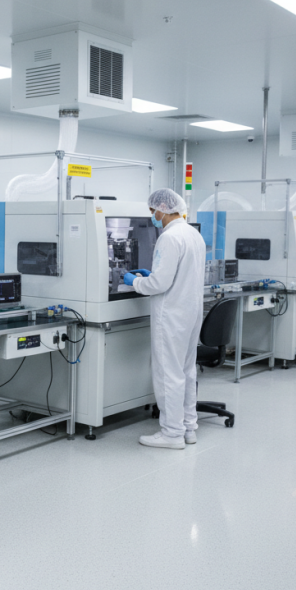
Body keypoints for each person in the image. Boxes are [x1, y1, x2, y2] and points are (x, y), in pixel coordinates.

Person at [122, 188, 205, 450]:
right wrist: (152, 274)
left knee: (168, 374)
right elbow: (176, 273)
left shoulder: (169, 238)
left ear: (162, 209)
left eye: (153, 211)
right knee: (187, 371)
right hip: (191, 313)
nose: (152, 216)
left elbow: (159, 283)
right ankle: (189, 428)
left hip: (171, 315)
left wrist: (135, 281)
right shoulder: (193, 234)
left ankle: (171, 434)